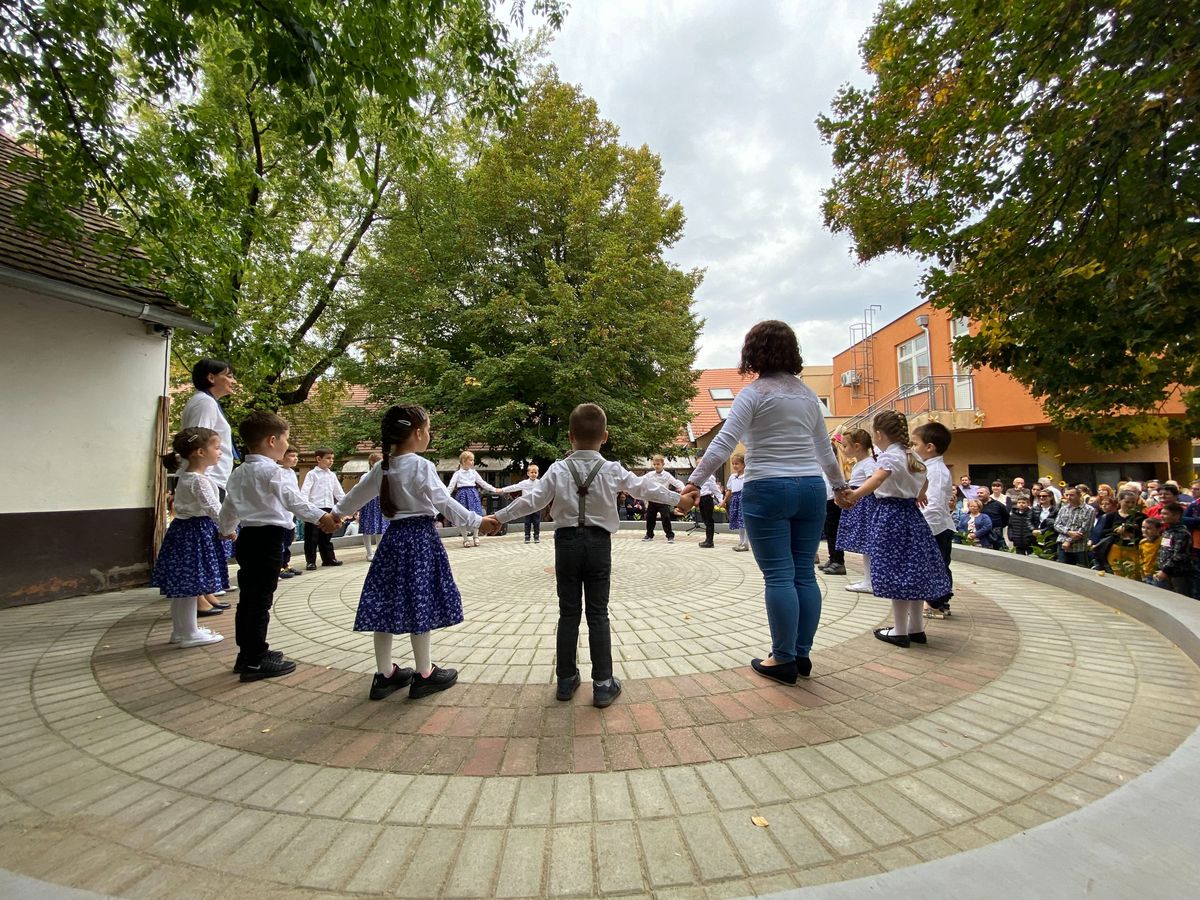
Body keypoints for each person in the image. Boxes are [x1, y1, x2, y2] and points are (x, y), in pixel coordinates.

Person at [488, 403, 693, 706]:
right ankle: (602, 683)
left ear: (570, 436)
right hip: (599, 544)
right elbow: (643, 488)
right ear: (606, 436)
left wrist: (499, 518)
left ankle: (566, 680)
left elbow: (531, 500)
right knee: (598, 613)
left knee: (568, 613)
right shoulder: (612, 469)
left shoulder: (558, 469)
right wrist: (679, 499)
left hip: (566, 544)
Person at [682, 321, 847, 684]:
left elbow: (724, 444)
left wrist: (693, 483)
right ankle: (802, 655)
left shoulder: (754, 394)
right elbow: (824, 450)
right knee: (804, 572)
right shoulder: (807, 396)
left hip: (768, 488)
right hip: (810, 489)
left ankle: (783, 658)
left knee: (779, 576)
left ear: (753, 353)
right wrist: (839, 487)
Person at [332, 406, 490, 701]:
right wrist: (479, 520)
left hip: (392, 543)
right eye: (428, 429)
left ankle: (384, 675)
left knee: (384, 603)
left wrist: (335, 515)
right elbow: (444, 503)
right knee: (421, 601)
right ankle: (424, 673)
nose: (429, 435)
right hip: (420, 541)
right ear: (418, 433)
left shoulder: (383, 467)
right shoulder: (421, 466)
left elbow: (355, 496)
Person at [219, 412, 338, 681]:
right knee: (260, 600)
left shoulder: (238, 473)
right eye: (286, 438)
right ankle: (254, 661)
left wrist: (226, 530)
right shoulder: (276, 472)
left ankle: (247, 653)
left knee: (248, 599)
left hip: (248, 538)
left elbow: (229, 506)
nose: (288, 443)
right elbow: (294, 502)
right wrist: (322, 517)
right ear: (272, 441)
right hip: (269, 539)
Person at [838, 410, 951, 648]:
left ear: (879, 434)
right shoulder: (913, 456)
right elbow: (925, 479)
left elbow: (878, 479)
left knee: (895, 572)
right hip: (912, 517)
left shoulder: (890, 457)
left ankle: (899, 631)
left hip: (891, 517)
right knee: (912, 571)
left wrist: (856, 494)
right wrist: (919, 493)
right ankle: (916, 628)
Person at [151, 427, 226, 647]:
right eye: (216, 447)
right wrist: (229, 528)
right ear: (199, 452)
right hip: (196, 532)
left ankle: (183, 630)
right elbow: (214, 509)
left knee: (184, 586)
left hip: (183, 531)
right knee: (190, 585)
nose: (220, 452)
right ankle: (189, 633)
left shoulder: (186, 476)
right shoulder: (198, 480)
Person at [912, 421, 955, 616]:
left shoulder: (935, 471)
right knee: (934, 565)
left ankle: (936, 603)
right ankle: (935, 602)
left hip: (936, 528)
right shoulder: (927, 468)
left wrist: (924, 529)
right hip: (935, 526)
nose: (912, 448)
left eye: (915, 444)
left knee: (936, 566)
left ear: (929, 447)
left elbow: (934, 504)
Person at [834, 429, 878, 592]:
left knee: (867, 544)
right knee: (865, 545)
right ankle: (869, 578)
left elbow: (872, 482)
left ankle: (870, 581)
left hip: (864, 505)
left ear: (857, 446)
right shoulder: (862, 462)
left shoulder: (869, 464)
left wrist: (855, 495)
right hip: (860, 503)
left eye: (845, 446)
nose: (843, 449)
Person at [300, 448, 345, 569]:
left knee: (327, 535)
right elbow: (304, 492)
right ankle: (311, 561)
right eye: (328, 458)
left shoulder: (332, 475)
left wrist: (347, 506)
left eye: (332, 459)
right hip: (314, 508)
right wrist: (306, 508)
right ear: (319, 459)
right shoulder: (312, 474)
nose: (331, 461)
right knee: (311, 537)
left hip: (328, 508)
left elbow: (339, 493)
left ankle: (328, 558)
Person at [447, 450, 497, 548]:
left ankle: (476, 536)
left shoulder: (473, 472)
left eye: (473, 460)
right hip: (462, 494)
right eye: (471, 460)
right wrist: (445, 496)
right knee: (461, 516)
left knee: (477, 514)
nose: (473, 462)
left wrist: (494, 489)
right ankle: (465, 538)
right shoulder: (457, 473)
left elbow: (482, 483)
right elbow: (451, 486)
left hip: (473, 493)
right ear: (464, 461)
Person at [642, 455, 686, 543]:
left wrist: (684, 490)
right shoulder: (650, 475)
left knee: (665, 518)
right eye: (654, 464)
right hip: (653, 499)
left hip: (663, 500)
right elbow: (640, 480)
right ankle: (649, 535)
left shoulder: (667, 475)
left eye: (658, 464)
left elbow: (676, 483)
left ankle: (670, 536)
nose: (656, 466)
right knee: (650, 518)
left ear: (663, 464)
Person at [1153, 502, 1194, 595]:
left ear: (1176, 515)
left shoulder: (1182, 533)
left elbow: (1179, 555)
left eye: (1165, 514)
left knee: (1178, 599)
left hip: (1177, 574)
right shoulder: (1167, 531)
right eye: (1161, 513)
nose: (1161, 516)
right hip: (1164, 572)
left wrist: (1165, 571)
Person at [1106, 490, 1146, 578]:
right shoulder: (1111, 516)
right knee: (1117, 575)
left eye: (1133, 502)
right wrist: (1116, 531)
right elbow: (1103, 532)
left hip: (1133, 549)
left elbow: (1145, 533)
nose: (1130, 505)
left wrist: (1132, 532)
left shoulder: (1141, 517)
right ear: (1119, 501)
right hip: (1115, 548)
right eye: (1127, 502)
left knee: (1132, 575)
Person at [277, 448, 304, 579]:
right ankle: (278, 567)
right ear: (281, 457)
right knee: (280, 543)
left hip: (290, 513)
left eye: (296, 456)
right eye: (292, 456)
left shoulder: (292, 472)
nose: (295, 459)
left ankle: (285, 564)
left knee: (287, 541)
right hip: (280, 513)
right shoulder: (277, 472)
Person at [355, 451, 387, 561]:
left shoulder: (384, 475)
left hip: (380, 503)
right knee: (367, 528)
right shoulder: (365, 476)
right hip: (368, 503)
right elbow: (360, 490)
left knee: (380, 527)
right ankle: (369, 552)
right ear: (371, 463)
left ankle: (379, 551)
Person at [499, 464, 543, 543]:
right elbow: (514, 487)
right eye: (532, 472)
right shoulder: (525, 483)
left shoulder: (540, 483)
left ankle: (536, 536)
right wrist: (503, 490)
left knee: (536, 522)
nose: (533, 474)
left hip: (536, 506)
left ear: (538, 473)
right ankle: (527, 536)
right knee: (527, 522)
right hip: (526, 505)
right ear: (528, 473)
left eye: (535, 472)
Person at [1053, 486, 1096, 567]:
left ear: (1079, 495)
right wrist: (1068, 532)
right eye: (1067, 495)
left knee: (1081, 570)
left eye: (1072, 495)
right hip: (1062, 544)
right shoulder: (1063, 508)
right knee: (1064, 569)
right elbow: (1057, 525)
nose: (1069, 497)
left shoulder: (1089, 510)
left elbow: (1085, 528)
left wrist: (1069, 540)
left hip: (1079, 546)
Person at [723, 454, 748, 552]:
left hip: (744, 498)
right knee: (738, 521)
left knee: (744, 521)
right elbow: (729, 490)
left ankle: (746, 543)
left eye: (737, 463)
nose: (734, 466)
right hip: (735, 499)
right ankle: (741, 541)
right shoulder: (732, 477)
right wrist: (724, 501)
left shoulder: (746, 476)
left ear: (743, 464)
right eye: (733, 464)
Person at [1087, 496, 1119, 570]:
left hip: (1105, 546)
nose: (1104, 506)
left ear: (1115, 505)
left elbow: (1107, 532)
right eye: (1102, 504)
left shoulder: (1114, 516)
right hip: (1094, 544)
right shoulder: (1102, 516)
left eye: (1107, 504)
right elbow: (1095, 530)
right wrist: (1091, 540)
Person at [696, 469, 722, 548]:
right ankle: (707, 539)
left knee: (709, 520)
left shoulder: (709, 476)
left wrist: (721, 500)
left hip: (707, 498)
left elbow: (715, 489)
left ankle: (710, 541)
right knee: (705, 519)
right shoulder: (697, 476)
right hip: (700, 499)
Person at [981, 484, 1010, 549]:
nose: (979, 494)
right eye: (978, 493)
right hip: (981, 533)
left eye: (981, 493)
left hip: (996, 533)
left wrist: (999, 526)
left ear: (988, 493)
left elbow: (1006, 517)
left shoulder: (998, 505)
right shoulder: (977, 505)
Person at [1138, 517, 1163, 583]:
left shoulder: (1162, 541)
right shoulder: (1142, 542)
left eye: (1149, 528)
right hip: (1145, 574)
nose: (1145, 530)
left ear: (1158, 529)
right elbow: (1141, 558)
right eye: (1143, 527)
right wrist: (1142, 572)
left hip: (1157, 574)